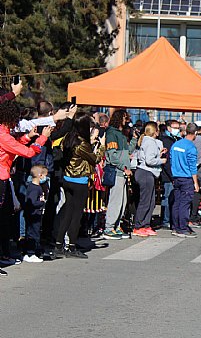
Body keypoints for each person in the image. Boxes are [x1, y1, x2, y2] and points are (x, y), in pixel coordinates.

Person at [0, 99, 49, 273]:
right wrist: (42, 138)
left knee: (5, 217)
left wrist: (28, 137)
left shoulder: (4, 133)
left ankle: (4, 254)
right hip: (1, 178)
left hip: (4, 178)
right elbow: (27, 152)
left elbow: (14, 145)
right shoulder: (3, 135)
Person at [54, 113, 104, 259]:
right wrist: (100, 146)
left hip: (68, 178)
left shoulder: (67, 138)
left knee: (68, 213)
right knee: (76, 215)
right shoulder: (82, 143)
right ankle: (72, 246)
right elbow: (95, 159)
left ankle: (58, 244)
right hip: (79, 180)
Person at [103, 110, 137, 240]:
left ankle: (115, 226)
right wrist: (123, 167)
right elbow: (112, 155)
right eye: (124, 118)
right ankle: (109, 227)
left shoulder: (120, 134)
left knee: (122, 202)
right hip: (117, 171)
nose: (126, 120)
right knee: (116, 201)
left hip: (122, 172)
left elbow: (127, 151)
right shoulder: (112, 133)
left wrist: (134, 139)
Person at [133, 122, 166, 237]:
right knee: (145, 201)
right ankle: (138, 226)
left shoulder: (147, 141)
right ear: (155, 131)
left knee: (151, 202)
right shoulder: (150, 142)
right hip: (146, 173)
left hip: (146, 173)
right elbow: (149, 161)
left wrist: (159, 154)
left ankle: (146, 224)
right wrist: (162, 160)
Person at [170, 123, 199, 238]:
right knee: (184, 204)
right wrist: (195, 182)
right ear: (195, 133)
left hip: (176, 177)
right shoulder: (191, 147)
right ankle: (182, 228)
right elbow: (193, 167)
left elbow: (171, 160)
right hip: (186, 178)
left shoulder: (176, 144)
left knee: (177, 203)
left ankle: (176, 227)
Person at [23, 165, 48, 263]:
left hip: (33, 214)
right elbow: (33, 202)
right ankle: (31, 253)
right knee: (34, 234)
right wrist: (41, 202)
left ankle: (29, 252)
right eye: (45, 175)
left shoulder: (32, 186)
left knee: (31, 233)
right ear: (40, 175)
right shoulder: (35, 188)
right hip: (34, 215)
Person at [159, 120, 181, 229]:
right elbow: (166, 161)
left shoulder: (177, 139)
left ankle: (171, 219)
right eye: (175, 127)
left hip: (176, 173)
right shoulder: (165, 140)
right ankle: (165, 220)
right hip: (168, 175)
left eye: (178, 127)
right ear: (168, 128)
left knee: (174, 197)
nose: (177, 129)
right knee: (167, 197)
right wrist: (172, 176)